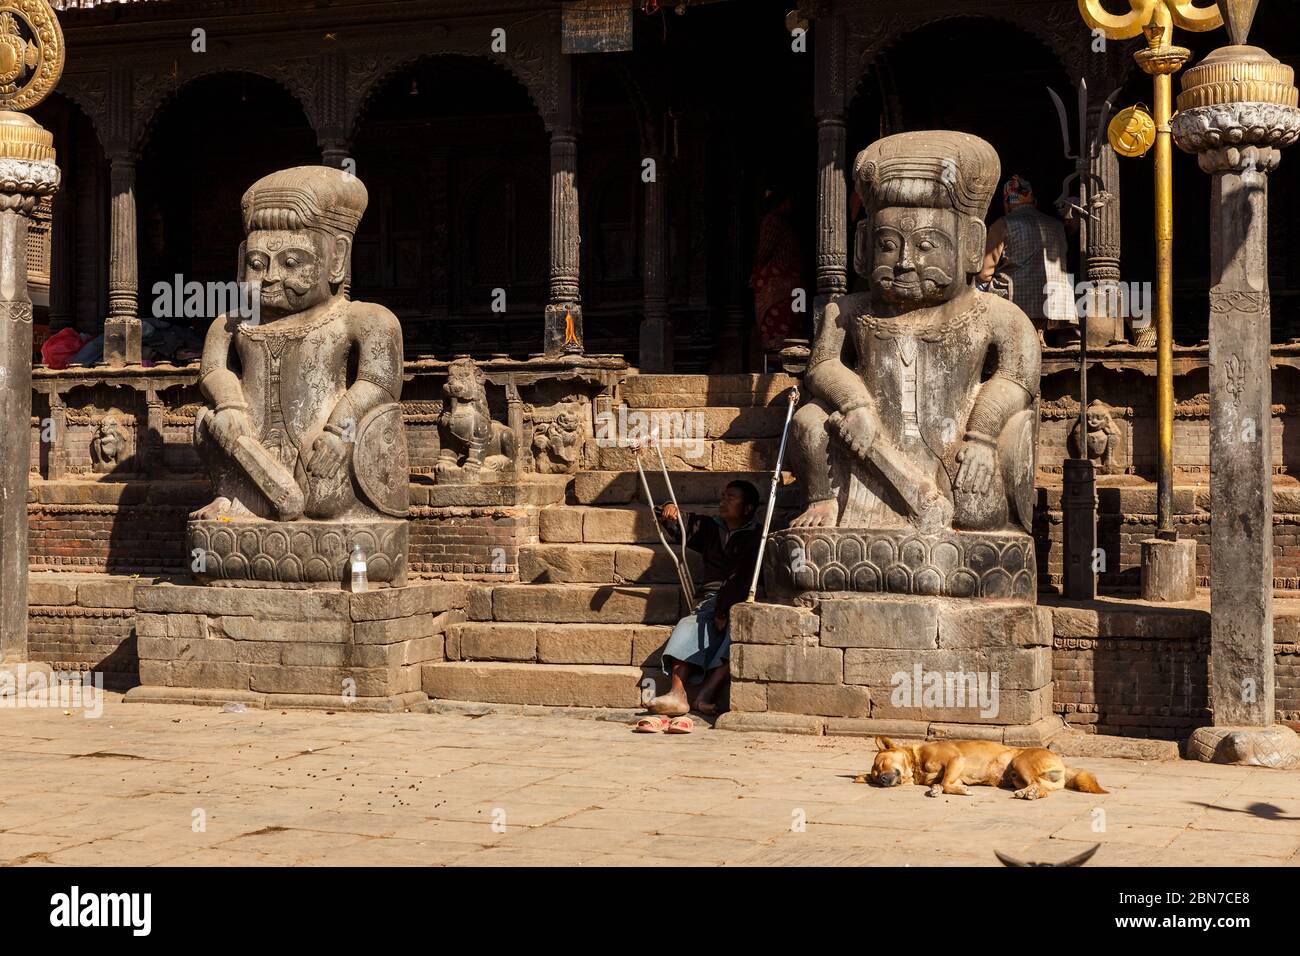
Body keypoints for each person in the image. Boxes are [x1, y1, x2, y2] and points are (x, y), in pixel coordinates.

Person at [644, 480, 763, 719]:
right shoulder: (710, 528)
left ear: (748, 508)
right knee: (688, 626)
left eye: (731, 497)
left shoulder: (756, 536)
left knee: (737, 635)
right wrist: (669, 509)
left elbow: (743, 576)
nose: (723, 501)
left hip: (741, 597)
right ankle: (677, 693)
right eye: (723, 495)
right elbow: (678, 521)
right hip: (710, 597)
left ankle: (706, 694)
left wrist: (723, 609)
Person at [979, 174, 1076, 345]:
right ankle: (1039, 336)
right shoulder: (1057, 225)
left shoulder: (1003, 223)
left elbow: (985, 273)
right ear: (1034, 202)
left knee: (977, 286)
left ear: (1007, 203)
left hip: (1018, 300)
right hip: (1055, 301)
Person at [749, 188, 803, 369]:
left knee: (791, 318)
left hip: (790, 282)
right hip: (781, 278)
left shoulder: (784, 223)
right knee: (781, 321)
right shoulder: (773, 221)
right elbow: (764, 251)